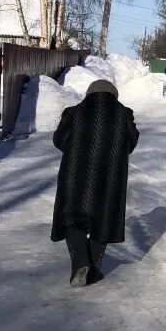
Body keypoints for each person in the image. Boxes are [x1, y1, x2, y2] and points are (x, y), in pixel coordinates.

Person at [51, 79, 139, 287]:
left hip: (76, 174)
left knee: (74, 217)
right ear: (114, 95)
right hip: (111, 177)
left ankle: (81, 263)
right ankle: (95, 268)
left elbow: (59, 140)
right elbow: (132, 142)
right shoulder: (123, 114)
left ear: (89, 94)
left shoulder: (74, 112)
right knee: (105, 219)